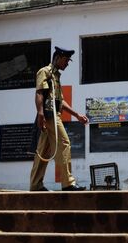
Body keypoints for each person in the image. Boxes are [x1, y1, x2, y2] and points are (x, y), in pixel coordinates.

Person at [30, 46, 88, 191]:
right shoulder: (45, 72)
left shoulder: (56, 76)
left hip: (53, 113)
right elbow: (39, 94)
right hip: (49, 115)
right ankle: (68, 183)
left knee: (42, 152)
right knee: (65, 143)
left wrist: (77, 115)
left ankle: (35, 185)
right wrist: (41, 114)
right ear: (58, 58)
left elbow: (60, 102)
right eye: (66, 60)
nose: (67, 64)